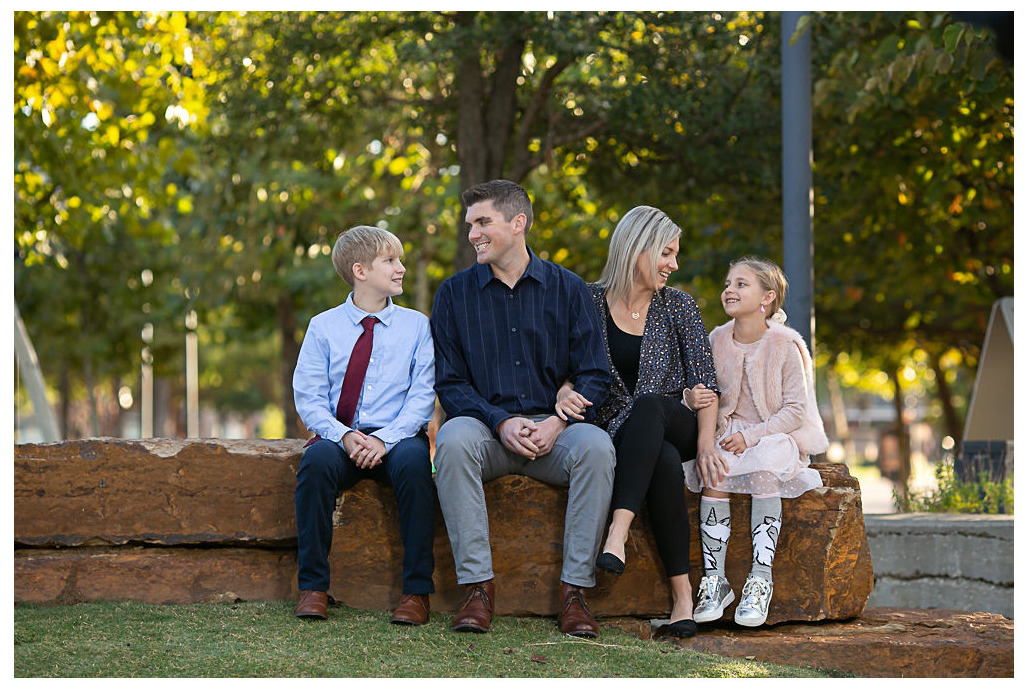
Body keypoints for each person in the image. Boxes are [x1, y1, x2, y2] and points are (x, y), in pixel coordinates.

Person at [431, 179, 616, 639]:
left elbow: (595, 374)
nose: (472, 234)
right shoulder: (453, 295)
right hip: (486, 433)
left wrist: (558, 421)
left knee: (596, 447)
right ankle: (477, 589)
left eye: (482, 222)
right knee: (452, 441)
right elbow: (450, 383)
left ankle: (575, 593)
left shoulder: (569, 289)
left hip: (556, 434)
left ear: (518, 223)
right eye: (469, 224)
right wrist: (500, 422)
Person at [555, 205, 721, 639]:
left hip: (676, 421)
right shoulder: (588, 300)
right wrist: (563, 391)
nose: (674, 264)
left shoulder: (678, 305)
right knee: (660, 460)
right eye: (666, 253)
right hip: (618, 430)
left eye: (675, 254)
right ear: (637, 249)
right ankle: (682, 598)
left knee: (650, 408)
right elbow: (566, 367)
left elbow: (705, 384)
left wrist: (706, 445)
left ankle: (618, 531)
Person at [291, 225, 437, 625]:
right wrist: (343, 435)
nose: (401, 268)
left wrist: (385, 440)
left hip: (398, 437)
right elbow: (309, 397)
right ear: (360, 271)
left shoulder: (417, 326)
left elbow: (422, 397)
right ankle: (313, 587)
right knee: (315, 465)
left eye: (399, 260)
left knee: (416, 468)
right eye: (390, 261)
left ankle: (416, 592)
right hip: (341, 436)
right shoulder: (323, 327)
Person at [683, 257, 828, 627]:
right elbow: (703, 390)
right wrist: (690, 398)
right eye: (727, 283)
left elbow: (795, 410)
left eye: (741, 284)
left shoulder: (785, 344)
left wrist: (751, 437)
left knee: (765, 468)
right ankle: (715, 581)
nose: (729, 290)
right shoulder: (716, 339)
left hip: (772, 435)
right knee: (714, 472)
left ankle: (760, 580)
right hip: (727, 433)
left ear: (767, 297)